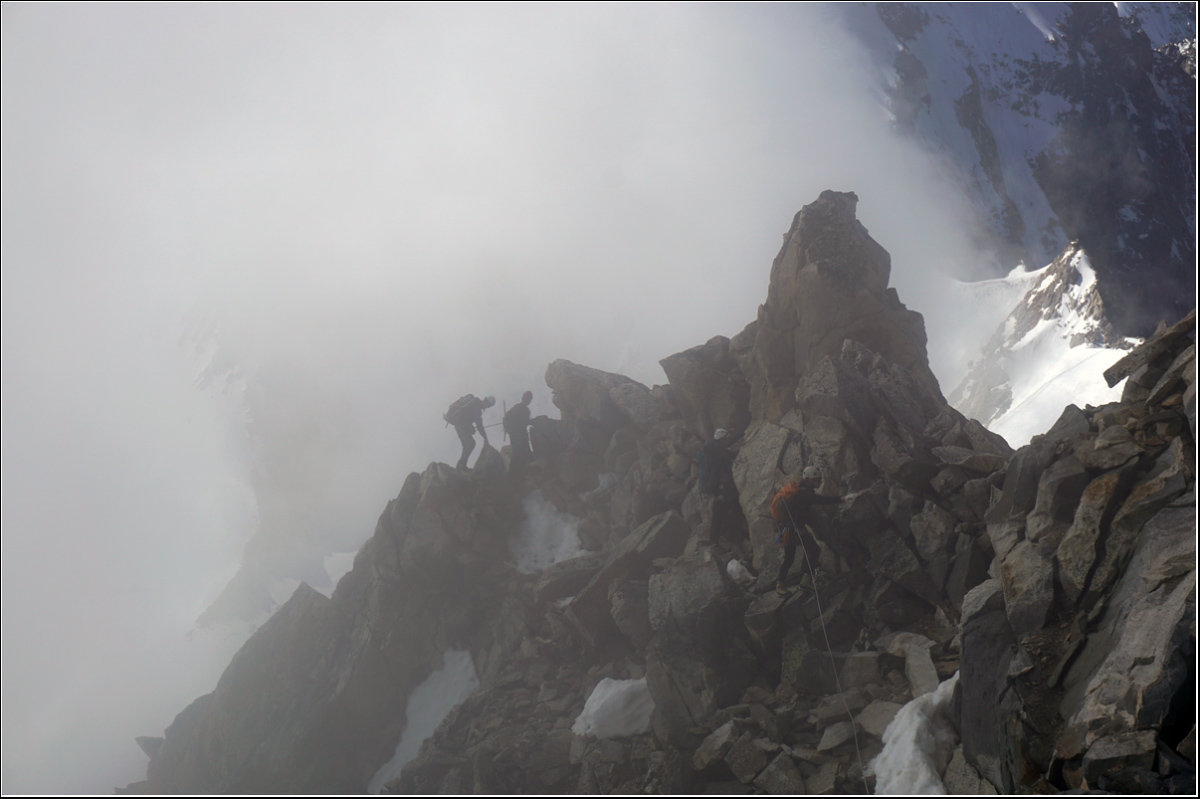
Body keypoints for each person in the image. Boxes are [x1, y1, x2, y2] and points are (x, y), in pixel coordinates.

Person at [770, 465, 840, 594]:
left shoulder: (799, 490)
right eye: (816, 480)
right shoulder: (805, 494)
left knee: (790, 557)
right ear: (808, 480)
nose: (818, 482)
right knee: (814, 549)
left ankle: (782, 583)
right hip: (794, 530)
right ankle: (805, 581)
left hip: (786, 530)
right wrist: (840, 499)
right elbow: (821, 500)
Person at [698, 428, 736, 545]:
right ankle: (722, 539)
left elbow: (729, 454)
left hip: (715, 488)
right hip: (720, 488)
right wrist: (715, 489)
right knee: (721, 512)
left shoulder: (715, 450)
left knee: (719, 513)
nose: (727, 441)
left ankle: (717, 539)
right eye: (726, 439)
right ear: (722, 439)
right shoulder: (717, 454)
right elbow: (715, 473)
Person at [444, 394, 495, 470]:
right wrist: (485, 437)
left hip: (458, 425)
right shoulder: (477, 406)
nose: (486, 407)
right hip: (460, 425)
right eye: (488, 406)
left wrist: (470, 428)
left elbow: (466, 418)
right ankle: (461, 465)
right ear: (487, 402)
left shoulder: (474, 403)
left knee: (468, 445)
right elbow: (479, 424)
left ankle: (461, 465)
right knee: (470, 444)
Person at [503, 391, 534, 471]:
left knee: (521, 453)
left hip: (516, 434)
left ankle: (517, 473)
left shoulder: (517, 407)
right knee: (519, 453)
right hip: (519, 435)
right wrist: (534, 422)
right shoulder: (524, 410)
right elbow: (525, 422)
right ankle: (514, 474)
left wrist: (508, 429)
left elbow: (506, 418)